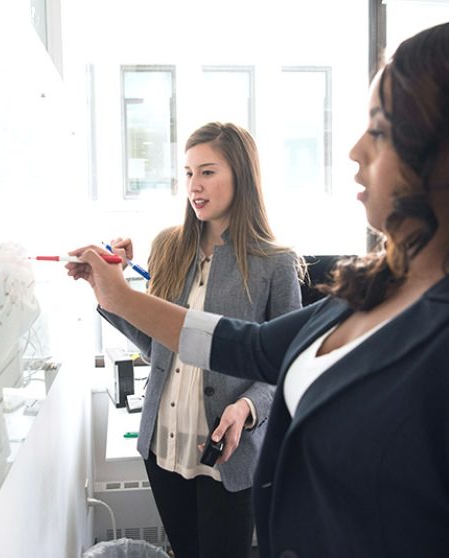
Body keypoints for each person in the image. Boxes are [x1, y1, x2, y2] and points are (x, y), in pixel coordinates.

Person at [67, 18, 449, 557]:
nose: (354, 151)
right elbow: (249, 347)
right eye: (188, 173)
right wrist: (115, 296)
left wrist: (245, 410)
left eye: (379, 128)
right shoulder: (368, 293)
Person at [89, 122, 302, 558]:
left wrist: (247, 409)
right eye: (187, 173)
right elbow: (157, 347)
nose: (194, 186)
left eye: (207, 172)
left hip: (229, 452)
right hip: (164, 442)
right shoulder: (169, 246)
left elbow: (287, 366)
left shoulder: (275, 264)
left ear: (240, 175)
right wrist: (108, 290)